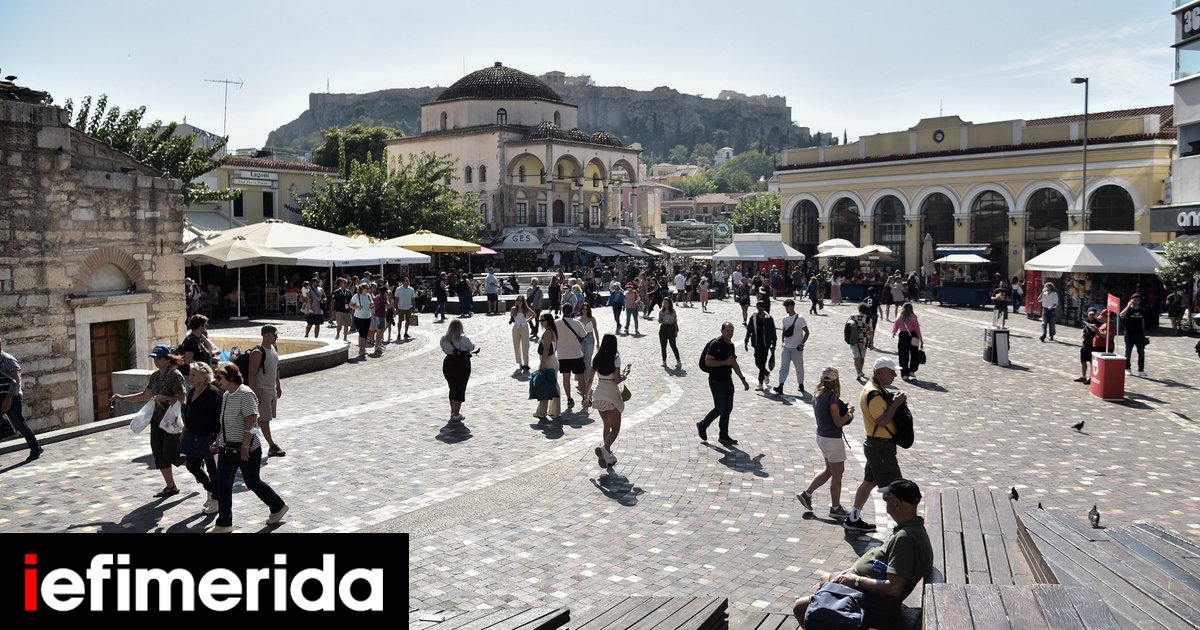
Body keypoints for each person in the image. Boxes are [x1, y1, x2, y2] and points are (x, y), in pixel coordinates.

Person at [793, 479, 933, 629]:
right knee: (824, 579)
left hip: (874, 604)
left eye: (886, 497)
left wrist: (856, 580)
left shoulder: (905, 538)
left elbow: (894, 588)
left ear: (896, 503)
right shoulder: (913, 529)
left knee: (800, 607)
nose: (885, 501)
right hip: (870, 592)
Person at [209, 362, 288, 533]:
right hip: (227, 448)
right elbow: (224, 423)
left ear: (230, 377)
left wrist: (245, 445)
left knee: (252, 482)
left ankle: (278, 506)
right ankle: (224, 523)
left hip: (248, 449)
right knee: (223, 484)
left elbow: (251, 422)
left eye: (219, 377)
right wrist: (217, 440)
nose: (217, 381)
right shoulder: (226, 395)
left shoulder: (245, 394)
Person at [110, 344, 187, 498]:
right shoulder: (155, 376)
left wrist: (165, 398)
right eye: (154, 358)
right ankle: (171, 486)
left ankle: (194, 463)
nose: (156, 361)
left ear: (167, 359)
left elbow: (182, 399)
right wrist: (122, 398)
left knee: (171, 453)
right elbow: (145, 395)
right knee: (158, 453)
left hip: (171, 421)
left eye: (158, 358)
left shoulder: (175, 375)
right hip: (157, 419)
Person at [844, 357, 909, 532]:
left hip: (876, 446)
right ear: (880, 372)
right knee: (894, 488)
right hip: (881, 448)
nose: (895, 375)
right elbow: (881, 421)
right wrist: (895, 404)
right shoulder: (874, 394)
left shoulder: (874, 388)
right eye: (892, 371)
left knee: (868, 482)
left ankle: (853, 519)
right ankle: (903, 524)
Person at [796, 366, 854, 519]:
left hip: (821, 437)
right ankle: (835, 508)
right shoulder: (831, 398)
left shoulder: (817, 395)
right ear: (836, 381)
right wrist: (849, 414)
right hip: (833, 440)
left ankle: (807, 494)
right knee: (837, 474)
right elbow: (838, 422)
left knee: (829, 470)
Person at [697, 322, 750, 446]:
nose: (729, 333)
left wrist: (742, 379)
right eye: (727, 331)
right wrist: (725, 362)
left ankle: (723, 435)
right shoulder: (715, 344)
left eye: (731, 331)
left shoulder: (731, 345)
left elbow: (733, 363)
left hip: (727, 380)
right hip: (716, 380)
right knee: (720, 407)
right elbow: (708, 362)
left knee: (728, 408)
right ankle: (703, 425)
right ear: (722, 331)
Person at [182, 361, 221, 515]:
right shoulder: (192, 391)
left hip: (209, 437)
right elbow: (188, 413)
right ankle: (210, 490)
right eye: (190, 374)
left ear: (204, 377)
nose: (190, 378)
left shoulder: (213, 393)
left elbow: (220, 417)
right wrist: (184, 431)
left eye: (194, 375)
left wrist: (217, 438)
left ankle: (216, 501)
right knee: (191, 465)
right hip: (193, 436)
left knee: (213, 470)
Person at [590, 334, 631, 468]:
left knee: (606, 425)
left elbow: (590, 379)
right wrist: (625, 375)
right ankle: (605, 448)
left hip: (599, 394)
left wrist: (585, 397)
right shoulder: (616, 358)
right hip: (611, 395)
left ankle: (608, 457)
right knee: (616, 428)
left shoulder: (596, 358)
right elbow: (616, 380)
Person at [0, 337, 43, 461]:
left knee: (19, 424)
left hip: (12, 397)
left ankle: (35, 448)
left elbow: (16, 381)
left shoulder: (8, 359)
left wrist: (8, 399)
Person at [246, 325, 285, 457]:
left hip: (271, 389)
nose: (277, 337)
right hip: (262, 390)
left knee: (263, 419)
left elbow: (276, 368)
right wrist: (253, 393)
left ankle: (250, 442)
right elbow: (251, 373)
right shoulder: (258, 352)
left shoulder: (274, 348)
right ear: (267, 335)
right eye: (275, 334)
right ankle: (271, 446)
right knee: (264, 420)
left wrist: (278, 385)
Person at [440, 319, 477, 423]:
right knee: (460, 387)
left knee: (452, 387)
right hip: (461, 363)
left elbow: (444, 349)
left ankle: (453, 411)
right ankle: (456, 414)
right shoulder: (463, 339)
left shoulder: (443, 339)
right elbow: (471, 347)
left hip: (448, 363)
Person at [556, 304, 591, 410]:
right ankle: (585, 397)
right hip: (576, 354)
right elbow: (584, 336)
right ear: (572, 311)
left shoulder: (556, 323)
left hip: (562, 355)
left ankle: (569, 399)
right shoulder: (576, 322)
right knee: (581, 377)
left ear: (562, 310)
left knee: (566, 377)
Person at [774, 299, 810, 395]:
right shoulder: (784, 318)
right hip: (786, 347)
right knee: (784, 366)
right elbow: (784, 331)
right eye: (785, 307)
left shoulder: (800, 318)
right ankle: (781, 385)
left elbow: (807, 332)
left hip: (796, 348)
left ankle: (800, 384)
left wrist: (802, 344)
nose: (786, 309)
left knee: (799, 367)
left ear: (793, 306)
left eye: (788, 306)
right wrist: (782, 343)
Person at [532, 313, 562, 421]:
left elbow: (546, 349)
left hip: (548, 360)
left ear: (548, 321)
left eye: (543, 320)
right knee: (553, 385)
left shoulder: (548, 333)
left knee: (545, 386)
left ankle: (542, 412)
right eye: (540, 320)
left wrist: (542, 362)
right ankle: (554, 410)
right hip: (553, 360)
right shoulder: (553, 331)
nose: (541, 322)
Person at [745, 301, 777, 390]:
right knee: (757, 363)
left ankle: (760, 383)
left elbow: (773, 331)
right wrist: (746, 341)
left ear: (764, 308)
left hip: (765, 345)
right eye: (759, 307)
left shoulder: (769, 318)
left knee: (762, 363)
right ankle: (766, 373)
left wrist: (774, 344)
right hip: (756, 344)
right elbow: (749, 330)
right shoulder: (753, 318)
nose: (760, 308)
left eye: (762, 307)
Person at [891, 302, 924, 380]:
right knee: (914, 354)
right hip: (913, 335)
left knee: (903, 355)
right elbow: (917, 329)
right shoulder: (913, 317)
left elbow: (895, 325)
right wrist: (920, 339)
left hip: (903, 336)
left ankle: (904, 374)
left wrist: (894, 332)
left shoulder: (899, 317)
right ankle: (912, 370)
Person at [1121, 293, 1149, 377]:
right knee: (1128, 352)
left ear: (1139, 301)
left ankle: (1141, 370)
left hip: (1139, 335)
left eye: (1137, 300)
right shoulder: (1128, 310)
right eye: (1134, 300)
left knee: (1141, 352)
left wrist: (1143, 334)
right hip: (1129, 334)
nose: (1135, 302)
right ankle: (1127, 368)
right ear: (1131, 300)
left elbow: (1143, 322)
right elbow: (1121, 315)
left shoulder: (1142, 310)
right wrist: (1128, 306)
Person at [578, 303, 601, 389]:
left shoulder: (592, 319)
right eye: (583, 309)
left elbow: (596, 330)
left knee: (587, 360)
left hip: (590, 339)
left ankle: (586, 381)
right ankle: (580, 380)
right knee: (580, 360)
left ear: (589, 310)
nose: (584, 311)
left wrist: (598, 341)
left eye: (586, 309)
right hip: (581, 341)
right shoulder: (578, 319)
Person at [510, 294, 535, 371]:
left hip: (524, 327)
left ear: (523, 301)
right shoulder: (513, 309)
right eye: (518, 300)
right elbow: (512, 317)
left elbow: (534, 315)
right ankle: (520, 363)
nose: (519, 302)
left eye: (521, 300)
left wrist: (527, 320)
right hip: (516, 327)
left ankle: (526, 363)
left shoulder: (526, 309)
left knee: (525, 345)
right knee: (516, 345)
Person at [1076, 308, 1100, 383]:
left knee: (1091, 362)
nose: (1091, 316)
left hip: (1092, 345)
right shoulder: (1086, 321)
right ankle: (1083, 376)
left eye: (1093, 314)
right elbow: (1083, 329)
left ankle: (1091, 377)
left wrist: (1095, 329)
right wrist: (1082, 335)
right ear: (1087, 314)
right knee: (1083, 360)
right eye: (1090, 314)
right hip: (1085, 343)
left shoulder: (1098, 323)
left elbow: (1099, 333)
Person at [350, 282, 374, 360]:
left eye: (368, 288)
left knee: (365, 334)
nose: (367, 289)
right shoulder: (356, 296)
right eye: (365, 288)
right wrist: (357, 307)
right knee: (361, 333)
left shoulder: (369, 296)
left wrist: (372, 305)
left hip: (367, 317)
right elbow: (351, 305)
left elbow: (372, 305)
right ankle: (361, 350)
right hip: (358, 318)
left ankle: (363, 349)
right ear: (361, 289)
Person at [847, 303, 869, 382]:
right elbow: (871, 330)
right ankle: (859, 372)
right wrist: (871, 342)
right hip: (864, 340)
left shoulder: (852, 316)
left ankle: (859, 372)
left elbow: (847, 326)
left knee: (856, 356)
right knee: (862, 357)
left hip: (853, 339)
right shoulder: (868, 318)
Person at [658, 297, 682, 369]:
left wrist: (676, 331)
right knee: (663, 346)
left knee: (673, 345)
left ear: (669, 304)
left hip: (671, 328)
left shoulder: (673, 311)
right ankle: (664, 361)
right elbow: (659, 321)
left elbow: (675, 321)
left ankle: (678, 361)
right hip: (663, 328)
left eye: (666, 302)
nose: (664, 304)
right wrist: (660, 317)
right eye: (663, 302)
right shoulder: (661, 311)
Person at [394, 276, 417, 341]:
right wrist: (396, 307)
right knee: (400, 321)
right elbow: (396, 299)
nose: (407, 282)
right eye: (406, 281)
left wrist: (414, 307)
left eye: (408, 281)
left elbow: (413, 299)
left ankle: (406, 332)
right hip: (401, 307)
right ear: (403, 282)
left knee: (408, 321)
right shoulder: (398, 289)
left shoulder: (411, 289)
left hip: (409, 307)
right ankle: (399, 333)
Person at [371, 283, 388, 355]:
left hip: (377, 315)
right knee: (379, 331)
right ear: (384, 292)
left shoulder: (376, 297)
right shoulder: (383, 298)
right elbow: (387, 306)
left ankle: (378, 344)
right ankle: (377, 345)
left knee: (379, 331)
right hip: (381, 315)